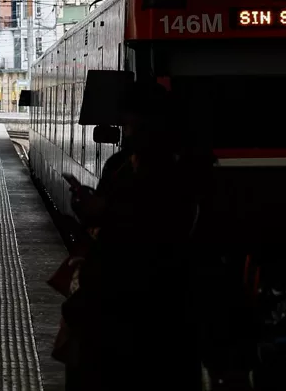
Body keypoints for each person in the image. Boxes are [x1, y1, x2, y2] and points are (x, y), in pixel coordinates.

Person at [53, 81, 200, 389]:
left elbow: (159, 231)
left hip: (149, 309)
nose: (127, 133)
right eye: (126, 124)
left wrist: (104, 212)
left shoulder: (180, 173)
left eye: (134, 125)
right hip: (108, 306)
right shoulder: (118, 166)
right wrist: (87, 210)